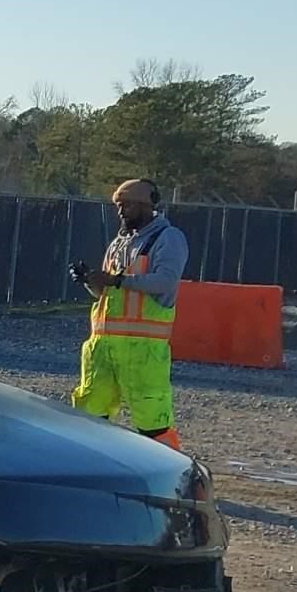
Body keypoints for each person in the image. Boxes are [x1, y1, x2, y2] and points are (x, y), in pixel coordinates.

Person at [71, 178, 188, 450]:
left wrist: (117, 280)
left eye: (126, 206)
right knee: (89, 415)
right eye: (118, 206)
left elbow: (165, 282)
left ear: (144, 205)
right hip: (102, 349)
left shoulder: (168, 238)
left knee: (153, 424)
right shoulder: (119, 243)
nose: (121, 212)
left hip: (143, 353)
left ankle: (167, 476)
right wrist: (90, 281)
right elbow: (107, 294)